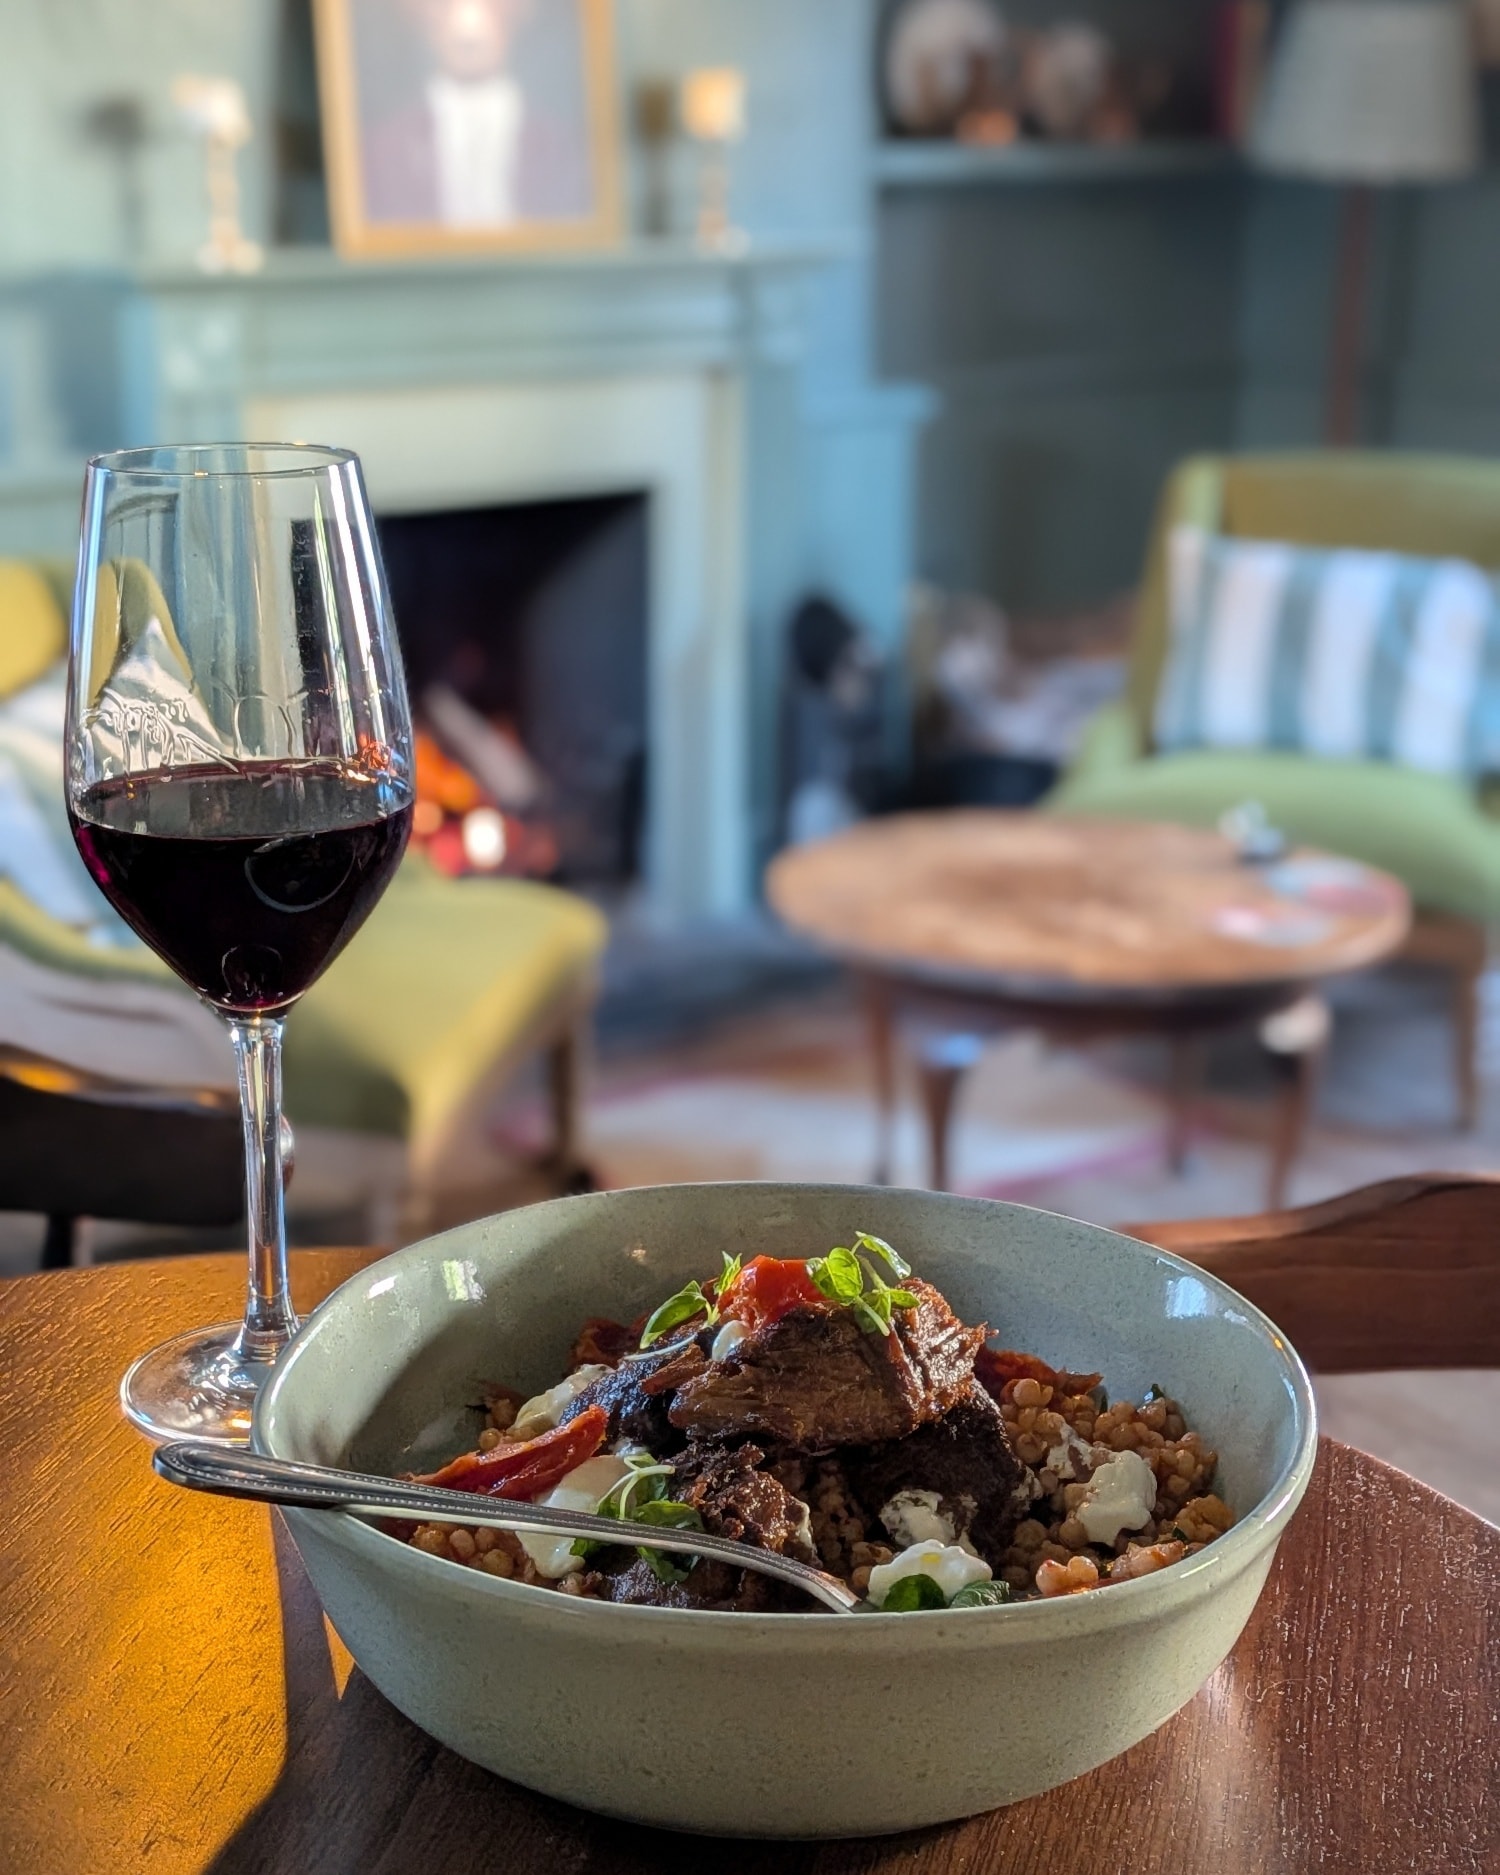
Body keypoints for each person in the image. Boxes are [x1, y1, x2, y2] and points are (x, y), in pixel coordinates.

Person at [361, 0, 591, 227]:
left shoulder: (558, 143)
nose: (469, 33)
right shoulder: (386, 147)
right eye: (446, 7)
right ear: (429, 28)